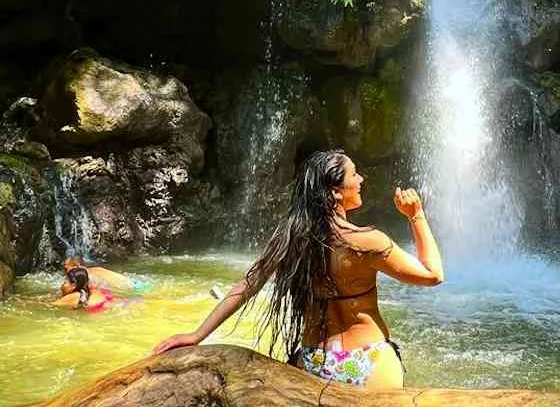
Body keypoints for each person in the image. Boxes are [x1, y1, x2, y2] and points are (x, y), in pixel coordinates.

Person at [152, 149, 444, 389]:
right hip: (369, 360)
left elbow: (248, 285)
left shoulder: (292, 238)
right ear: (336, 192)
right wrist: (416, 216)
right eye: (354, 174)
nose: (361, 178)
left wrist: (197, 335)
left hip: (313, 362)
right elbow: (433, 275)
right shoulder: (366, 241)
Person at [62, 256, 133, 292]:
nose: (66, 273)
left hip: (129, 288)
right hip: (133, 282)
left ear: (76, 266)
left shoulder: (85, 277)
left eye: (66, 269)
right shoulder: (95, 269)